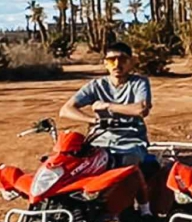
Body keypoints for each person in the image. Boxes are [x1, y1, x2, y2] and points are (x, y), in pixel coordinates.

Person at [59, 40, 153, 169]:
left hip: (130, 141)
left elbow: (141, 109)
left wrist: (107, 106)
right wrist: (94, 120)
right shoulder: (96, 85)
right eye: (111, 60)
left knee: (126, 169)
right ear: (105, 63)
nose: (117, 64)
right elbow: (66, 110)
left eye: (122, 59)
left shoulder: (139, 82)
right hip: (98, 141)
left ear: (131, 62)